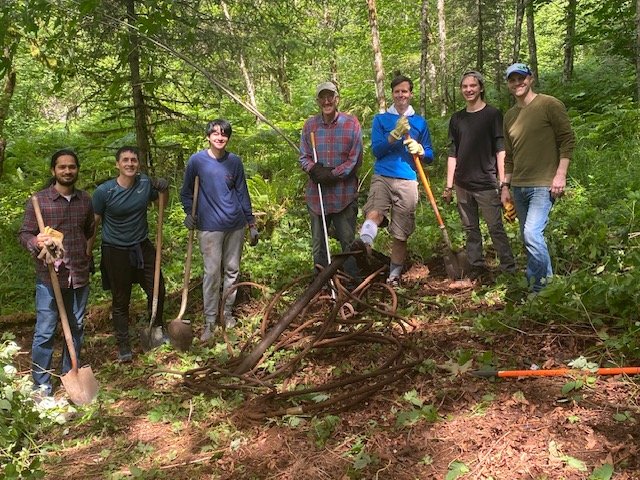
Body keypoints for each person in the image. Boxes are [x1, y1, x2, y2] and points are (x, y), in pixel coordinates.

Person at [18, 149, 95, 397]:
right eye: (62, 167)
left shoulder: (85, 200)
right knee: (45, 331)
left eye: (71, 167)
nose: (67, 171)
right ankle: (41, 386)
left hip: (78, 276)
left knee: (77, 328)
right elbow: (24, 234)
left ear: (77, 170)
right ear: (54, 171)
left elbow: (88, 230)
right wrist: (37, 242)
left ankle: (69, 376)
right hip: (48, 278)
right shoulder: (39, 201)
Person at [180, 119, 258, 342]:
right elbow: (186, 192)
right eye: (215, 133)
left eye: (224, 134)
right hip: (209, 227)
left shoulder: (235, 162)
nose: (219, 137)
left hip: (235, 224)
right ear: (208, 136)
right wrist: (189, 213)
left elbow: (242, 193)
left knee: (232, 271)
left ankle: (227, 314)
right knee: (212, 273)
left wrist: (251, 224)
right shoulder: (197, 161)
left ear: (228, 137)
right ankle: (209, 321)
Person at [501, 63, 575, 292]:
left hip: (544, 184)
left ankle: (541, 290)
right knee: (528, 238)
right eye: (512, 80)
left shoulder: (549, 104)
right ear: (508, 84)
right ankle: (544, 286)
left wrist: (560, 175)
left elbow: (568, 140)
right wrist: (505, 186)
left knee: (532, 234)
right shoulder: (510, 116)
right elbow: (510, 156)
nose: (517, 83)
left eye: (521, 78)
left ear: (530, 79)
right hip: (519, 186)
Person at [354, 74, 434, 286]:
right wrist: (394, 135)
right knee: (375, 211)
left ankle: (394, 276)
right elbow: (377, 151)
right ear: (392, 94)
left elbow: (430, 155)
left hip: (408, 179)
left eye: (404, 91)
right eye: (397, 91)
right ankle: (364, 246)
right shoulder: (381, 120)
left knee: (401, 232)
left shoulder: (419, 122)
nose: (401, 95)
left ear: (410, 94)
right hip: (383, 175)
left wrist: (420, 150)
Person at [91, 146, 169, 361]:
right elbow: (93, 224)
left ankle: (157, 329)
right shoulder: (104, 192)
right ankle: (124, 345)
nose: (129, 164)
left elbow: (161, 203)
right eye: (125, 160)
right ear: (117, 164)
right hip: (115, 250)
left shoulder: (144, 183)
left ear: (138, 164)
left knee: (157, 289)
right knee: (120, 298)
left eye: (133, 160)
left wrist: (164, 189)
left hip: (141, 246)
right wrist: (87, 253)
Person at [443, 70, 516, 279]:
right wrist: (449, 186)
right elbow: (452, 153)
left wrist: (504, 184)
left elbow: (501, 149)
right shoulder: (457, 119)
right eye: (465, 86)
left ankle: (508, 268)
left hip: (486, 183)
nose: (469, 90)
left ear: (481, 88)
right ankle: (477, 267)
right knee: (470, 229)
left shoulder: (493, 115)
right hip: (462, 184)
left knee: (496, 228)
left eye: (472, 86)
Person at [299, 81, 363, 285]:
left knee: (348, 241)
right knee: (319, 245)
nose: (326, 101)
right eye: (322, 97)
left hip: (343, 195)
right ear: (318, 101)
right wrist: (314, 169)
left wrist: (333, 174)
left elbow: (355, 159)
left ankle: (353, 283)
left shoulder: (351, 123)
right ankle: (322, 283)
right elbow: (304, 157)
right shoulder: (310, 126)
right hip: (317, 197)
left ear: (337, 98)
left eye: (330, 96)